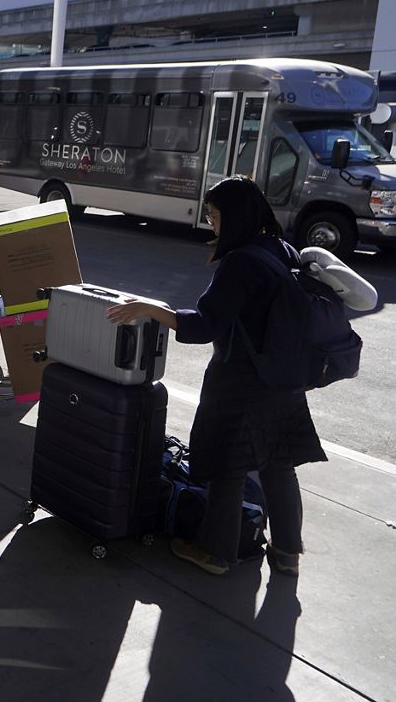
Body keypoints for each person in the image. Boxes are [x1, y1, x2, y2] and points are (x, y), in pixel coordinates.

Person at [107, 176, 325, 577]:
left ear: (237, 216)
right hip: (285, 381)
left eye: (215, 215)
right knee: (279, 465)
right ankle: (288, 553)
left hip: (242, 384)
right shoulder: (283, 249)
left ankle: (216, 554)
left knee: (229, 467)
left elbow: (205, 325)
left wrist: (152, 308)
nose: (211, 223)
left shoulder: (241, 261)